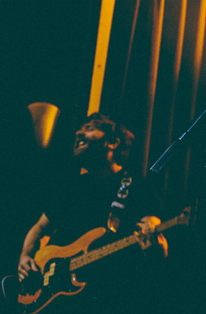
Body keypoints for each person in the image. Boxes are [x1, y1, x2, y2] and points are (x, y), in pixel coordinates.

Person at [16, 113, 167, 312]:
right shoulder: (71, 186)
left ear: (113, 142)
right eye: (80, 129)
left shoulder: (136, 185)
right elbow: (39, 227)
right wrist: (25, 257)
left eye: (89, 128)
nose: (79, 133)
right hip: (54, 298)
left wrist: (155, 242)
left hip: (104, 298)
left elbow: (152, 226)